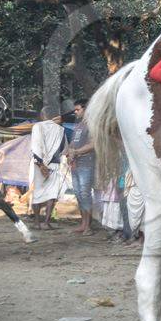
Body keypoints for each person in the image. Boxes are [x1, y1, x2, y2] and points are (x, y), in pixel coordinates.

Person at [29, 108, 67, 230]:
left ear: (42, 115)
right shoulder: (61, 130)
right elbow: (64, 149)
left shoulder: (37, 126)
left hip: (39, 165)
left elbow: (35, 147)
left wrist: (41, 165)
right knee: (52, 193)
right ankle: (46, 222)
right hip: (54, 165)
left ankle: (36, 222)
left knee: (37, 192)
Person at [66, 98, 96, 235]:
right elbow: (72, 143)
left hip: (87, 163)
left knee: (85, 193)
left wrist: (76, 152)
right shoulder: (78, 125)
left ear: (86, 109)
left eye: (78, 109)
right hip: (75, 164)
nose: (76, 112)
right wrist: (69, 152)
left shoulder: (92, 124)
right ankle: (83, 224)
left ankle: (88, 226)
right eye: (75, 110)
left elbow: (93, 144)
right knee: (78, 194)